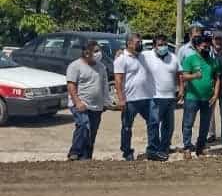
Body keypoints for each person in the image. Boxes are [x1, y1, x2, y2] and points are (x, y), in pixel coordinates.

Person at [114, 33, 164, 162]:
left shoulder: (143, 56)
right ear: (129, 43)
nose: (140, 44)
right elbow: (118, 81)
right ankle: (127, 152)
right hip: (130, 99)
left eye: (140, 42)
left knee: (153, 122)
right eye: (137, 42)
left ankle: (153, 150)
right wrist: (121, 99)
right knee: (127, 126)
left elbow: (156, 52)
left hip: (147, 97)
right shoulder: (121, 59)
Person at [66, 40, 111, 161]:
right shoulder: (75, 66)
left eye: (99, 51)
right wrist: (77, 102)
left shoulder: (101, 67)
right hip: (80, 104)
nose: (99, 54)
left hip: (96, 106)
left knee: (92, 132)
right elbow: (71, 86)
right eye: (95, 51)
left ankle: (86, 158)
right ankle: (74, 151)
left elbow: (104, 85)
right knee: (83, 125)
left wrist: (106, 102)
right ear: (86, 53)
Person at [142, 34, 183, 156]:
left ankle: (164, 147)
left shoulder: (173, 57)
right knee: (154, 124)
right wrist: (120, 53)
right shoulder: (146, 55)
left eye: (164, 44)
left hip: (170, 97)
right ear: (154, 46)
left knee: (168, 126)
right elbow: (132, 56)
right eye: (160, 45)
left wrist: (181, 89)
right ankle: (153, 149)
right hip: (155, 97)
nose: (163, 47)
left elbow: (179, 73)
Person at [181, 35, 220, 159]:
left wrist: (215, 95)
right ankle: (187, 147)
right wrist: (194, 76)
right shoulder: (189, 59)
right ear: (197, 47)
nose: (207, 49)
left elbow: (217, 78)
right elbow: (183, 76)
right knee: (188, 123)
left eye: (208, 46)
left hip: (208, 99)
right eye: (204, 46)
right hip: (192, 97)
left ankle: (200, 147)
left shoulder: (213, 61)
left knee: (205, 124)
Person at [206, 30, 222, 144]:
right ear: (212, 40)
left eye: (220, 39)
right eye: (216, 39)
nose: (218, 41)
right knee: (210, 110)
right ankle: (211, 133)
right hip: (212, 84)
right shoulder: (207, 52)